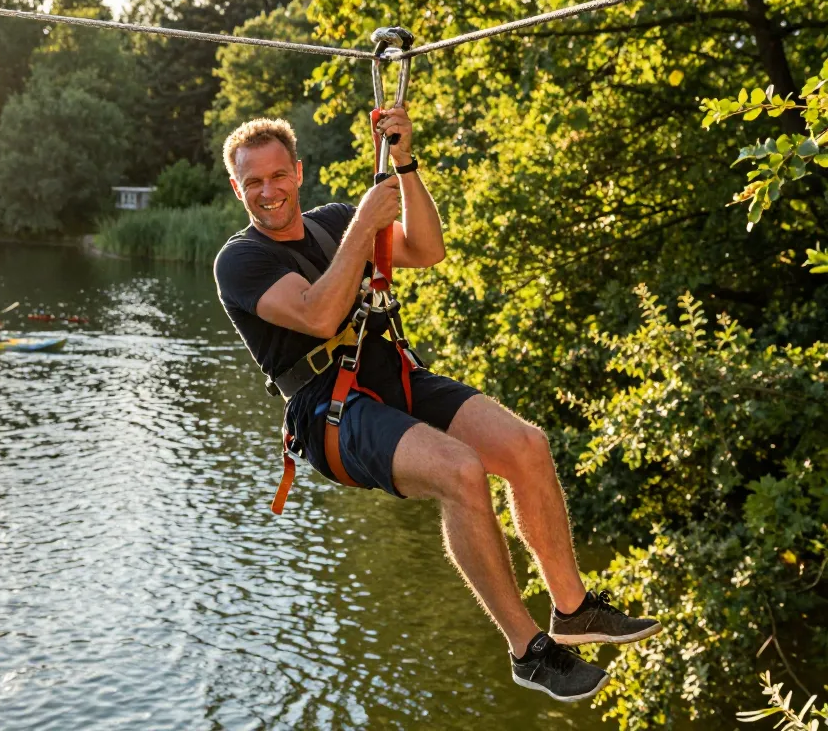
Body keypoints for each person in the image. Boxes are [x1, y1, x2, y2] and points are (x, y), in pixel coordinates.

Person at [213, 115, 662, 702]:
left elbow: (427, 248)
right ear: (236, 187)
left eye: (278, 175)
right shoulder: (239, 261)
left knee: (528, 448)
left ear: (299, 172)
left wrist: (405, 165)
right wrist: (366, 224)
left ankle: (573, 611)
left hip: (393, 374)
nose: (268, 191)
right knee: (459, 470)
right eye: (253, 183)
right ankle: (529, 651)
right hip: (329, 411)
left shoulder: (332, 223)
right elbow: (320, 315)